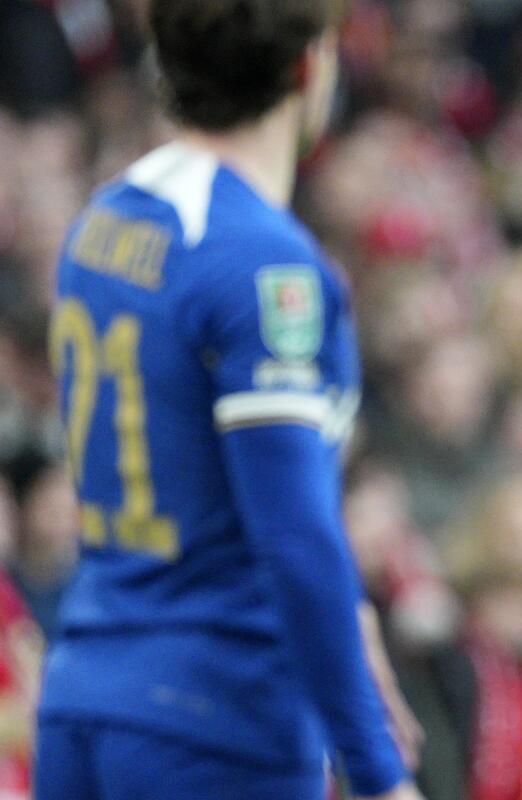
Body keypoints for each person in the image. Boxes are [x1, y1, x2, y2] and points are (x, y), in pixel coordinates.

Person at [35, 2, 425, 798]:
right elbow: (292, 536)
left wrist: (349, 624)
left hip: (82, 692)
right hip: (218, 723)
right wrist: (380, 774)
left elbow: (199, 474)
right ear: (309, 68)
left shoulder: (101, 221)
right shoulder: (266, 264)